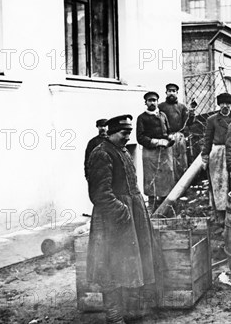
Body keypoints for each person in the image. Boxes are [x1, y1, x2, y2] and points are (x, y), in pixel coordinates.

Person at [86, 114, 157, 324]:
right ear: (112, 132)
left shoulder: (122, 150)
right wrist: (122, 210)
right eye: (124, 133)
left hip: (130, 217)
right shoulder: (101, 153)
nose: (128, 137)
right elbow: (99, 193)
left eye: (129, 132)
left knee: (130, 264)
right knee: (110, 267)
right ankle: (115, 316)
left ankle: (131, 312)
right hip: (112, 221)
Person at [201, 93, 231, 225]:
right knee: (218, 186)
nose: (225, 106)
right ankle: (220, 218)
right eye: (222, 103)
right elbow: (207, 139)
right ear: (219, 105)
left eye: (228, 103)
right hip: (217, 154)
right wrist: (205, 156)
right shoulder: (212, 120)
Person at [136, 91, 175, 212]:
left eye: (154, 100)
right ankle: (151, 205)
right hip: (150, 152)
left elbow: (168, 131)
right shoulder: (142, 118)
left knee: (166, 174)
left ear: (158, 102)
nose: (152, 103)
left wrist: (170, 138)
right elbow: (140, 137)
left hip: (165, 152)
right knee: (151, 176)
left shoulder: (163, 115)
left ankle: (165, 205)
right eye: (150, 100)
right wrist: (156, 142)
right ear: (146, 102)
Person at [158, 83, 195, 180]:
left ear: (177, 93)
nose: (171, 93)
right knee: (168, 163)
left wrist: (192, 113)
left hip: (179, 138)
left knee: (181, 163)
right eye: (169, 91)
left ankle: (181, 188)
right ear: (166, 93)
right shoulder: (160, 107)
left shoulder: (182, 107)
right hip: (166, 138)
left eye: (173, 91)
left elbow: (188, 123)